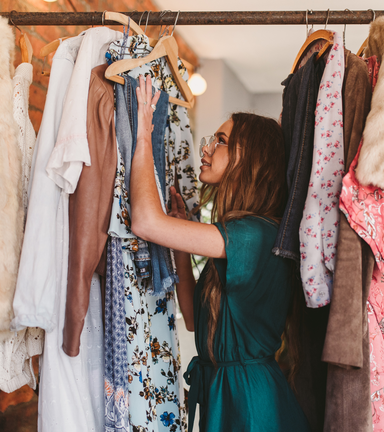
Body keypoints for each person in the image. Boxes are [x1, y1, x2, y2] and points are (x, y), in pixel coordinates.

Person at [130, 76, 311, 432]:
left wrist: (142, 137)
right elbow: (195, 320)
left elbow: (145, 222)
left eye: (222, 140)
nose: (207, 147)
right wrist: (180, 233)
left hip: (250, 403)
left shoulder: (253, 234)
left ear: (250, 160)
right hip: (229, 393)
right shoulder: (241, 233)